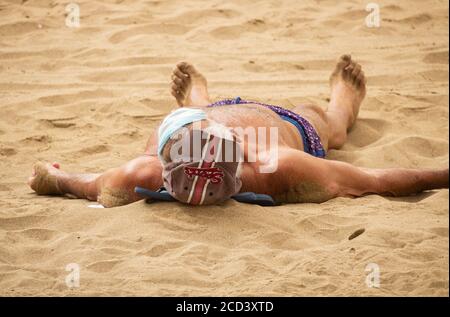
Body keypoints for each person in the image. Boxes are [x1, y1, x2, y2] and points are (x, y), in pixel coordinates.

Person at [28, 55, 449, 207]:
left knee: (195, 119)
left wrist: (53, 176)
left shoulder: (143, 172)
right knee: (327, 129)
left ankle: (196, 101)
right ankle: (340, 108)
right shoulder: (274, 164)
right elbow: (375, 181)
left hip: (224, 123)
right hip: (270, 127)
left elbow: (81, 183)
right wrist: (441, 175)